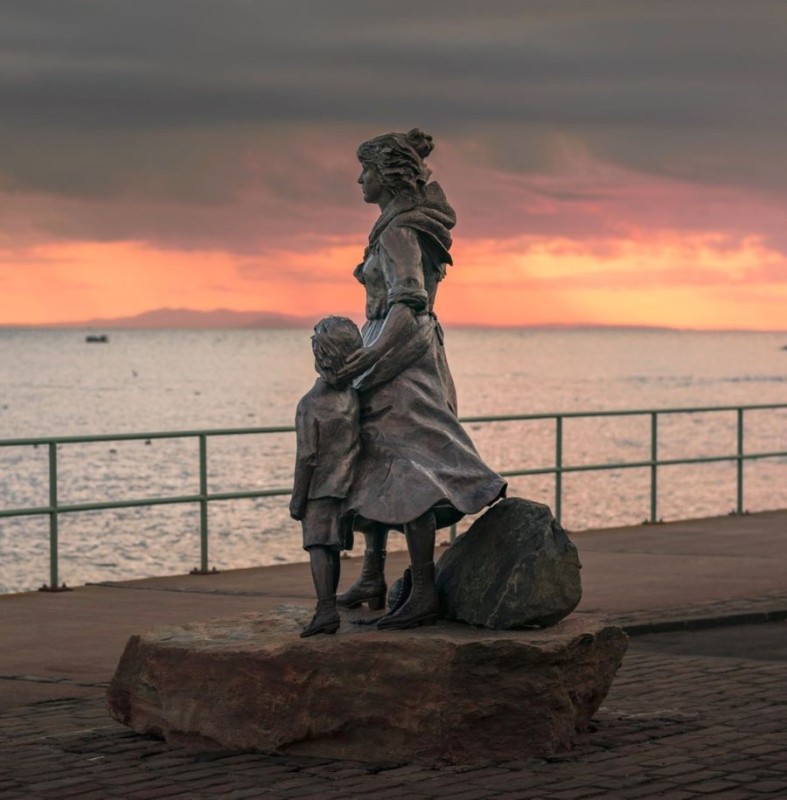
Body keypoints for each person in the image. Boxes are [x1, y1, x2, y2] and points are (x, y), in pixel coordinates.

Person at [335, 128, 506, 630]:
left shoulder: (398, 230)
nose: (359, 179)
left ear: (387, 176)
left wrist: (369, 360)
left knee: (411, 469)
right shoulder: (397, 223)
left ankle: (424, 589)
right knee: (373, 462)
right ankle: (372, 575)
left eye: (365, 170)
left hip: (399, 356)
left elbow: (409, 301)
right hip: (399, 346)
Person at [290, 316, 362, 637]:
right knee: (332, 548)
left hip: (320, 489)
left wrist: (297, 499)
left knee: (319, 547)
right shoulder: (353, 398)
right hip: (348, 487)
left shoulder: (310, 405)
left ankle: (325, 609)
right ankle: (328, 606)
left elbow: (307, 457)